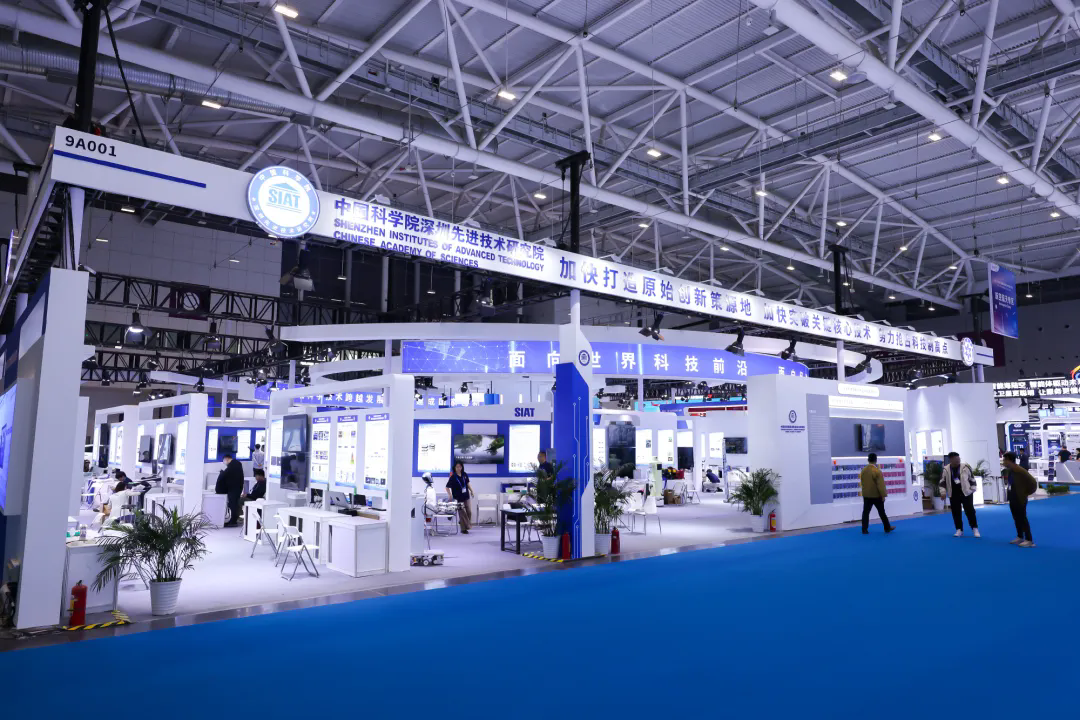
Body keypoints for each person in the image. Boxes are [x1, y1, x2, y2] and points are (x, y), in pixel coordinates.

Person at [940, 451, 980, 538]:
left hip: (966, 493)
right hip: (953, 494)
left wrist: (973, 489)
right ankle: (959, 530)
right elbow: (942, 482)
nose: (958, 460)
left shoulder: (965, 467)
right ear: (950, 460)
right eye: (955, 459)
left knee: (970, 511)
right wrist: (943, 492)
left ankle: (975, 528)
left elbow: (972, 479)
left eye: (958, 459)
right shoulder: (946, 469)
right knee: (956, 512)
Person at [1003, 452, 1037, 548]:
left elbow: (1033, 483)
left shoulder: (1020, 471)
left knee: (1022, 518)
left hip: (1020, 498)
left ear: (1009, 460)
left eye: (1004, 460)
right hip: (1012, 497)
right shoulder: (1010, 471)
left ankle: (1029, 540)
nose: (1003, 462)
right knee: (1016, 518)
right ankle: (1020, 536)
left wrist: (1025, 493)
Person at [860, 452, 894, 534]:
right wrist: (883, 495)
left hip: (866, 495)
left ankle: (864, 529)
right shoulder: (877, 471)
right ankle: (887, 528)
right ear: (876, 460)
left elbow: (862, 483)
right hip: (876, 495)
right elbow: (880, 485)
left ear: (868, 460)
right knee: (882, 512)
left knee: (865, 512)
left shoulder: (863, 470)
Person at [215, 453, 246, 527]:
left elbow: (226, 474)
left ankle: (233, 521)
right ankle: (233, 520)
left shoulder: (233, 465)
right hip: (236, 488)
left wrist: (222, 473)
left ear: (227, 459)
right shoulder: (236, 464)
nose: (224, 463)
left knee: (233, 504)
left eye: (224, 461)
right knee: (234, 504)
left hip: (234, 489)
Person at [446, 461, 474, 534]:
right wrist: (450, 495)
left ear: (462, 467)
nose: (459, 468)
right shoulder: (453, 477)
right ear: (455, 468)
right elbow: (447, 487)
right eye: (457, 467)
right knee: (462, 513)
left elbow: (468, 484)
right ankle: (463, 529)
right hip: (458, 498)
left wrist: (472, 491)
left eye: (460, 467)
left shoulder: (464, 474)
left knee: (469, 512)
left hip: (466, 496)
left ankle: (462, 522)